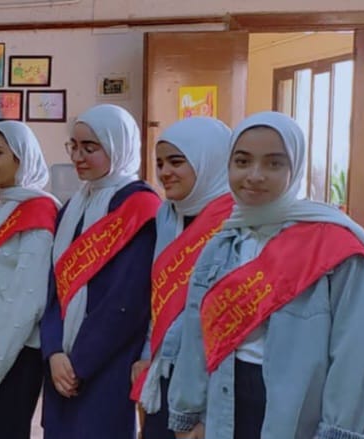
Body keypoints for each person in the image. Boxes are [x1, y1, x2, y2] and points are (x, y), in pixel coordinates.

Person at [167, 112, 364, 439]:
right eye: (242, 161)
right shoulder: (221, 244)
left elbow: (358, 355)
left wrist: (338, 431)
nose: (254, 176)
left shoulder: (336, 247)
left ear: (295, 167)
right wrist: (190, 414)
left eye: (274, 164)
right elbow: (196, 336)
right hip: (225, 405)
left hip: (300, 415)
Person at [40, 104, 159, 439]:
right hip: (63, 362)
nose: (77, 157)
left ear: (118, 147)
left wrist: (79, 362)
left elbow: (128, 300)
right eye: (74, 146)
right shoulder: (72, 206)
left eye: (89, 148)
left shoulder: (141, 207)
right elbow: (54, 288)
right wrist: (54, 351)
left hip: (108, 362)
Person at [127, 117, 233, 439]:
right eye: (159, 163)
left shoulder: (235, 220)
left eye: (176, 162)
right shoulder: (167, 214)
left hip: (210, 378)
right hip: (164, 367)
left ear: (208, 160)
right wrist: (148, 355)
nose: (164, 172)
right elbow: (159, 295)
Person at [0, 121, 59, 438]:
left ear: (22, 158)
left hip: (14, 357)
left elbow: (28, 303)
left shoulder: (39, 210)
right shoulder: (2, 206)